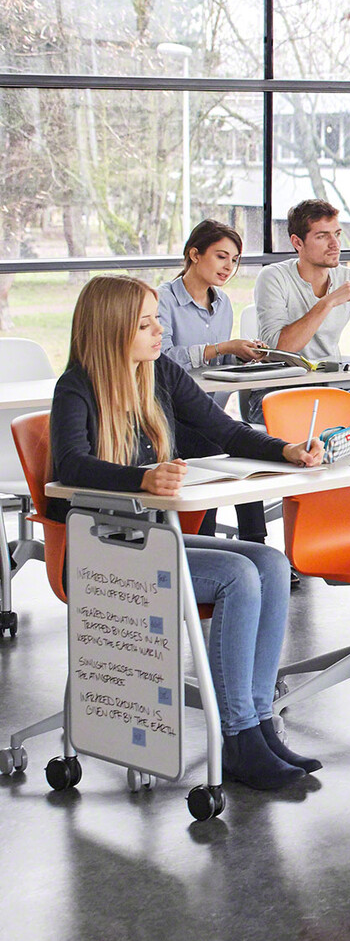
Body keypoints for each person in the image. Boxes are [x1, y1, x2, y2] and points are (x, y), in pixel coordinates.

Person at [49, 275, 325, 789]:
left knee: (269, 562)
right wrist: (142, 478)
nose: (160, 331)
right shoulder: (77, 386)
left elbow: (223, 431)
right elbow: (70, 464)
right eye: (146, 323)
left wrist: (283, 449)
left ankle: (261, 723)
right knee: (238, 575)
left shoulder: (160, 374)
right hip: (101, 551)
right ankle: (238, 736)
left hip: (152, 539)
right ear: (111, 331)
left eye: (158, 319)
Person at [157, 219, 272, 545]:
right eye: (221, 256)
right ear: (194, 254)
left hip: (209, 416)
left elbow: (215, 364)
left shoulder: (222, 304)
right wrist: (221, 348)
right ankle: (203, 544)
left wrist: (240, 355)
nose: (229, 267)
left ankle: (254, 544)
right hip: (169, 419)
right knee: (219, 448)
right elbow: (161, 360)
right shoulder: (162, 299)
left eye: (234, 260)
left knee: (249, 447)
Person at [250, 199, 350, 431]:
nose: (335, 244)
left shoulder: (349, 281)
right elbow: (278, 347)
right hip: (278, 390)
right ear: (297, 242)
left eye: (337, 234)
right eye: (322, 236)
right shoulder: (273, 277)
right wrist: (329, 302)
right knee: (316, 425)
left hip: (334, 388)